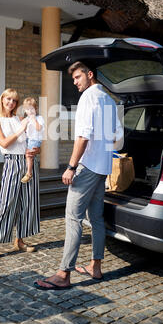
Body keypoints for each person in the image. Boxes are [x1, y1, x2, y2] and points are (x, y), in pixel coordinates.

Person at [34, 62, 123, 290]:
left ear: (89, 74)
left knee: (73, 218)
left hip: (87, 166)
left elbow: (83, 136)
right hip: (103, 167)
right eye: (73, 79)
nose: (74, 82)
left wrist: (71, 166)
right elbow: (113, 135)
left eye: (77, 77)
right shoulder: (109, 100)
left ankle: (63, 274)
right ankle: (96, 267)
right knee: (96, 219)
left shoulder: (88, 98)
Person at [0, 88, 40, 264]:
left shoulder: (19, 118)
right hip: (11, 163)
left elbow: (32, 139)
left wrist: (35, 149)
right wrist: (20, 129)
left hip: (28, 162)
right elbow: (4, 143)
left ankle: (20, 242)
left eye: (15, 101)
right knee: (6, 204)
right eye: (8, 99)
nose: (11, 103)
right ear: (2, 100)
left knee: (27, 203)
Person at [20, 97, 44, 183]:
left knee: (29, 155)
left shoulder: (39, 118)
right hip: (28, 139)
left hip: (35, 139)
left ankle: (29, 173)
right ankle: (28, 171)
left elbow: (38, 128)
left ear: (36, 109)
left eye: (32, 109)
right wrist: (25, 122)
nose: (30, 111)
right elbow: (22, 129)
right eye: (27, 109)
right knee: (28, 155)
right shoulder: (26, 119)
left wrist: (34, 120)